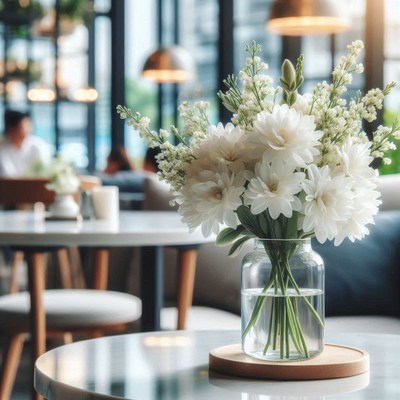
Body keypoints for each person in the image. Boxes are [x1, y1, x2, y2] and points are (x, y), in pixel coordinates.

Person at [0, 109, 51, 177]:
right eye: (24, 125)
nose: (29, 128)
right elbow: (6, 174)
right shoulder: (2, 146)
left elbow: (44, 169)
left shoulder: (38, 145)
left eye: (29, 124)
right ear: (11, 128)